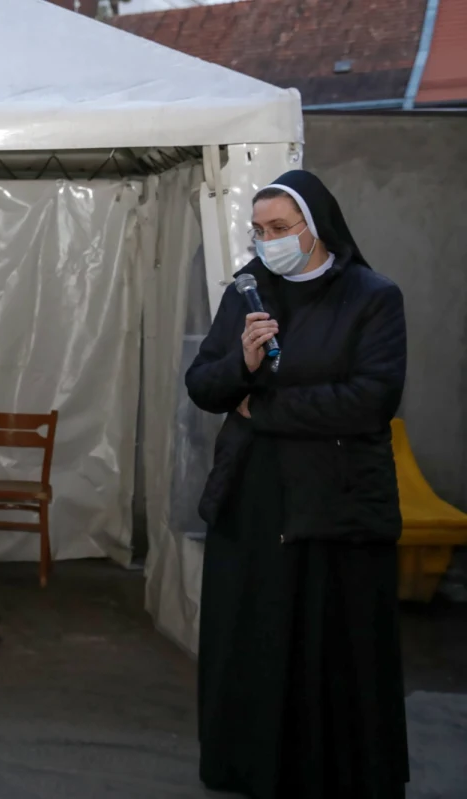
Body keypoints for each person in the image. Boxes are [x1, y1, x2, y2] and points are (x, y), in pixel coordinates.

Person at [186, 170, 409, 799]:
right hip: (253, 497)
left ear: (316, 229)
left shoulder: (372, 297)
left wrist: (266, 410)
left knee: (329, 644)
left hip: (334, 500)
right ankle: (247, 766)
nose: (268, 241)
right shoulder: (247, 291)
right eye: (259, 230)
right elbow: (204, 385)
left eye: (280, 229)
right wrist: (244, 364)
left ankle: (332, 773)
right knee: (252, 637)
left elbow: (371, 401)